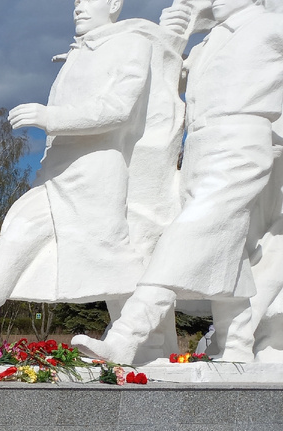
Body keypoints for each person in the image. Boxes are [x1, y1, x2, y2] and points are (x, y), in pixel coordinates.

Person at [0, 0, 159, 350]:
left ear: (115, 4)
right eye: (75, 2)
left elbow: (119, 109)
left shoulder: (131, 43)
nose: (78, 8)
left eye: (89, 0)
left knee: (115, 263)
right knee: (17, 234)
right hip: (57, 174)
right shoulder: (76, 54)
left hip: (96, 173)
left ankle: (140, 340)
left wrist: (48, 116)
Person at [75, 0, 283, 364]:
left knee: (193, 228)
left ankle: (129, 334)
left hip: (243, 137)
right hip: (199, 145)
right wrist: (177, 36)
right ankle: (235, 343)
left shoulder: (270, 26)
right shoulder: (205, 44)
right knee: (227, 239)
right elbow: (167, 80)